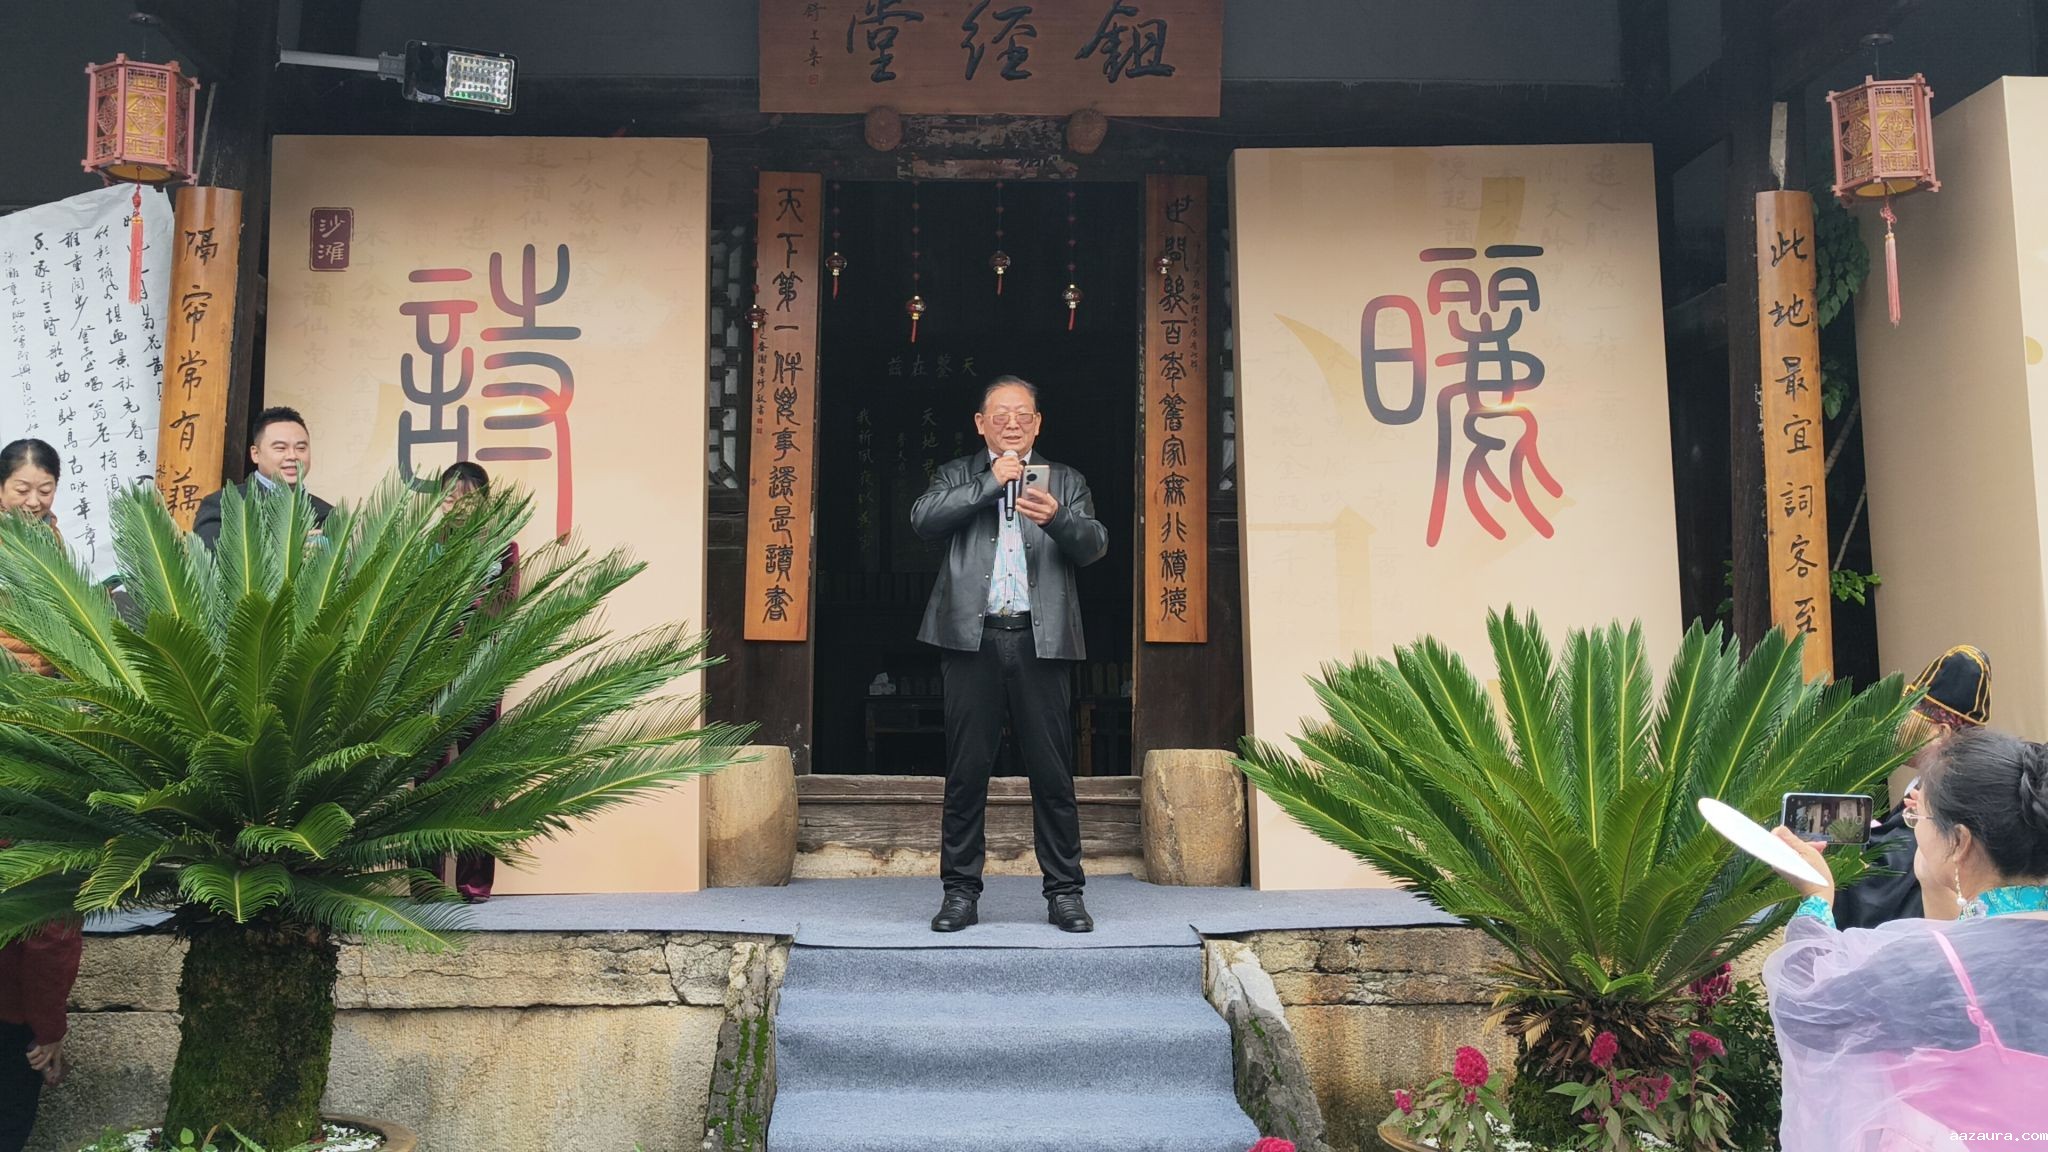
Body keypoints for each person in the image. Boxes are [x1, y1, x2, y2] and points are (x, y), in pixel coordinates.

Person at [1764, 727, 2048, 1147]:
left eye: (1919, 817)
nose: (1912, 827)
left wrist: (1816, 899)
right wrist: (1937, 886)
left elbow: (1807, 1012)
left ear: (1960, 842)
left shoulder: (1921, 966)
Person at [909, 376, 1108, 934]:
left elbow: (1095, 546)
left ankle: (1065, 893)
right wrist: (990, 483)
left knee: (1052, 773)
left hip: (1040, 641)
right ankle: (959, 893)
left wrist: (1058, 517)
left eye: (1023, 413)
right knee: (966, 772)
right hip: (970, 640)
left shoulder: (1065, 480)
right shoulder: (957, 474)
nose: (1012, 422)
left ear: (1038, 423)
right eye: (1000, 414)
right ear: (981, 424)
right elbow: (923, 520)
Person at [1834, 645, 1992, 929]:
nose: (1897, 724)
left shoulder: (1944, 802)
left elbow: (1885, 885)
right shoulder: (1935, 786)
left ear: (1941, 732)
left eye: (1909, 713)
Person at [421, 461, 519, 902]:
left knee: (478, 774)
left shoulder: (504, 549)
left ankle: (474, 883)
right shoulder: (426, 547)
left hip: (481, 670)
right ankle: (426, 883)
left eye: (469, 498)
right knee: (427, 775)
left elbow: (503, 606)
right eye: (450, 497)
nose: (458, 505)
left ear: (486, 502)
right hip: (430, 673)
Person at [191, 406, 333, 550]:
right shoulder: (223, 505)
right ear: (255, 454)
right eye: (280, 448)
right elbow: (208, 559)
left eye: (301, 448)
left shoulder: (328, 514)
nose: (292, 456)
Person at [0, 439, 64, 677]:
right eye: (22, 491)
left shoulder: (51, 533)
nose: (34, 502)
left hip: (45, 669)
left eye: (45, 491)